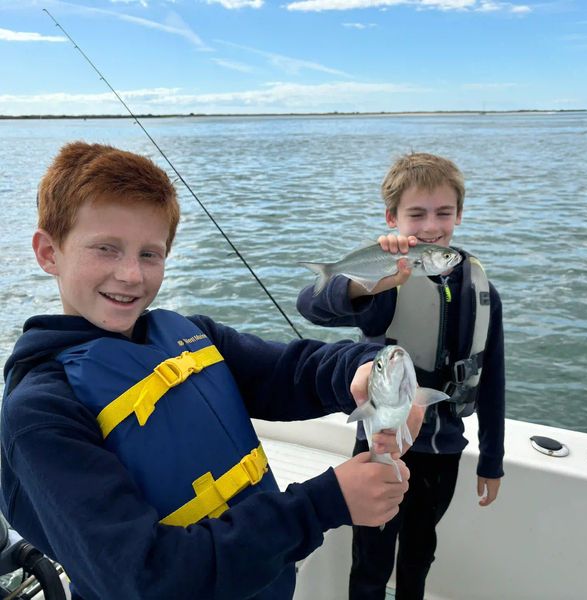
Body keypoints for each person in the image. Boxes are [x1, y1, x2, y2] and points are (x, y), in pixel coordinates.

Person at [0, 141, 421, 600]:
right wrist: (322, 505)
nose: (131, 275)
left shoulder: (189, 335)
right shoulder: (41, 411)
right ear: (48, 252)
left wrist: (364, 372)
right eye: (105, 248)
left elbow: (288, 370)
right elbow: (143, 577)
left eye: (150, 254)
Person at [296, 152, 505, 600]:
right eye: (416, 214)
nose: (431, 227)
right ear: (392, 218)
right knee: (370, 559)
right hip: (381, 442)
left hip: (443, 449)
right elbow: (310, 307)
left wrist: (492, 459)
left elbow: (493, 379)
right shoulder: (387, 279)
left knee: (418, 554)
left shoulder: (482, 287)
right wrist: (363, 282)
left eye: (443, 213)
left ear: (459, 214)